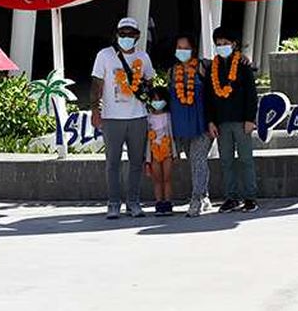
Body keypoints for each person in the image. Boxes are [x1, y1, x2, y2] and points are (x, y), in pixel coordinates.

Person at [91, 17, 151, 219]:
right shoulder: (104, 55)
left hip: (138, 117)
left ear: (137, 36)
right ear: (116, 35)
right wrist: (95, 111)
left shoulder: (143, 57)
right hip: (112, 118)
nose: (126, 38)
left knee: (136, 162)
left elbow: (150, 85)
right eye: (122, 34)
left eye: (130, 35)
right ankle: (113, 203)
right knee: (112, 163)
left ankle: (133, 202)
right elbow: (96, 85)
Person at [204, 26, 259, 213]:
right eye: (218, 44)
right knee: (226, 160)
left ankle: (250, 197)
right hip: (221, 123)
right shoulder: (212, 67)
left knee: (246, 159)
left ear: (234, 44)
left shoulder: (243, 66)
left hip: (242, 121)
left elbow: (252, 94)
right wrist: (211, 121)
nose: (221, 46)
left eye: (225, 43)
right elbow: (209, 97)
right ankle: (231, 197)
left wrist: (250, 119)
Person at [168, 33, 212, 217]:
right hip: (181, 126)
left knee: (198, 158)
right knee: (193, 161)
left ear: (193, 49)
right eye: (179, 48)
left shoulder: (204, 66)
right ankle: (205, 195)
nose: (182, 51)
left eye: (186, 48)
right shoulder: (171, 71)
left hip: (202, 123)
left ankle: (197, 199)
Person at [145, 85, 174, 216]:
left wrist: (174, 153)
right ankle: (158, 203)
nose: (157, 102)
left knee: (167, 178)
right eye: (154, 99)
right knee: (157, 179)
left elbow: (172, 135)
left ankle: (167, 203)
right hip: (153, 151)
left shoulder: (168, 116)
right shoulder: (148, 117)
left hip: (167, 150)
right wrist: (147, 159)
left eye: (159, 99)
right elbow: (147, 139)